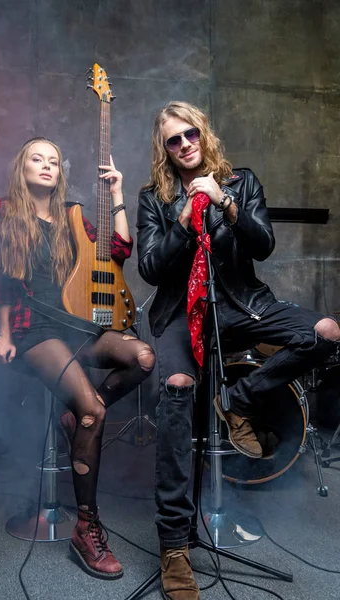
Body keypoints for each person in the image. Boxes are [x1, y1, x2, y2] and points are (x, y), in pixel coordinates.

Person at [137, 101, 340, 600]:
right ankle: (175, 547)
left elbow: (263, 244)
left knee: (326, 332)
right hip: (180, 314)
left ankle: (241, 398)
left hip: (239, 306)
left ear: (204, 135)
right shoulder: (152, 198)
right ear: (163, 150)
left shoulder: (241, 182)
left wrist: (226, 203)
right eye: (173, 140)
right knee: (178, 389)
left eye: (190, 135)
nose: (184, 145)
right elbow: (149, 267)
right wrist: (184, 219)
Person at [0, 137, 155, 580]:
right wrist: (4, 335)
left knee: (142, 358)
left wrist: (118, 193)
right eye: (36, 159)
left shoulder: (74, 216)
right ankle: (87, 527)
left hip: (78, 325)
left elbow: (119, 252)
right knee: (93, 410)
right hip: (34, 330)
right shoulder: (4, 211)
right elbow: (1, 277)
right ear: (21, 168)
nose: (46, 166)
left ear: (61, 173)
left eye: (54, 161)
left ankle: (80, 416)